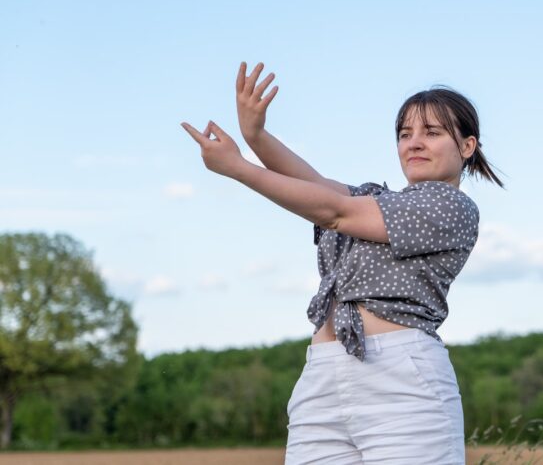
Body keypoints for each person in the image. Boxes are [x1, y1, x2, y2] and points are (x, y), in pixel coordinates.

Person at [181, 61, 504, 464]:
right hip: (323, 377)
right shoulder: (380, 200)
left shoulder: (450, 206)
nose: (414, 143)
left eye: (432, 133)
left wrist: (239, 169)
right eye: (405, 134)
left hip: (401, 382)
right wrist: (255, 135)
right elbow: (313, 183)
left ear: (467, 146)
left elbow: (334, 211)